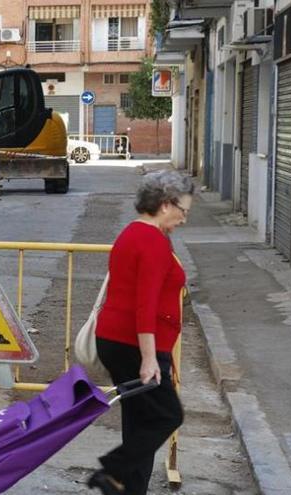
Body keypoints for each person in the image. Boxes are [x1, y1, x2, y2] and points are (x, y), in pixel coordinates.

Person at [87, 170, 194, 495]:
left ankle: (126, 488)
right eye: (183, 211)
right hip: (136, 346)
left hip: (118, 341)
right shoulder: (151, 242)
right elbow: (144, 306)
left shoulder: (133, 233)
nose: (184, 219)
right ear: (165, 205)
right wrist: (149, 359)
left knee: (140, 425)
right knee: (167, 416)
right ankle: (111, 472)